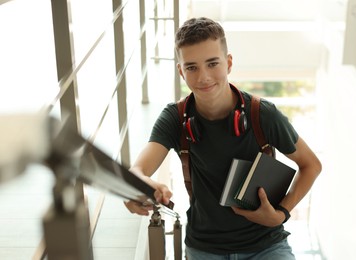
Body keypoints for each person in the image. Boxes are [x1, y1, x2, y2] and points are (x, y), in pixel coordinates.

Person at [125, 17, 322, 259]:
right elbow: (137, 170)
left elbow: (311, 164)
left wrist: (282, 213)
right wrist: (139, 188)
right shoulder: (174, 118)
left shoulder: (263, 114)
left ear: (228, 63)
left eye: (212, 63)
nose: (203, 77)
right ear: (180, 71)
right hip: (204, 248)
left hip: (266, 246)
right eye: (192, 67)